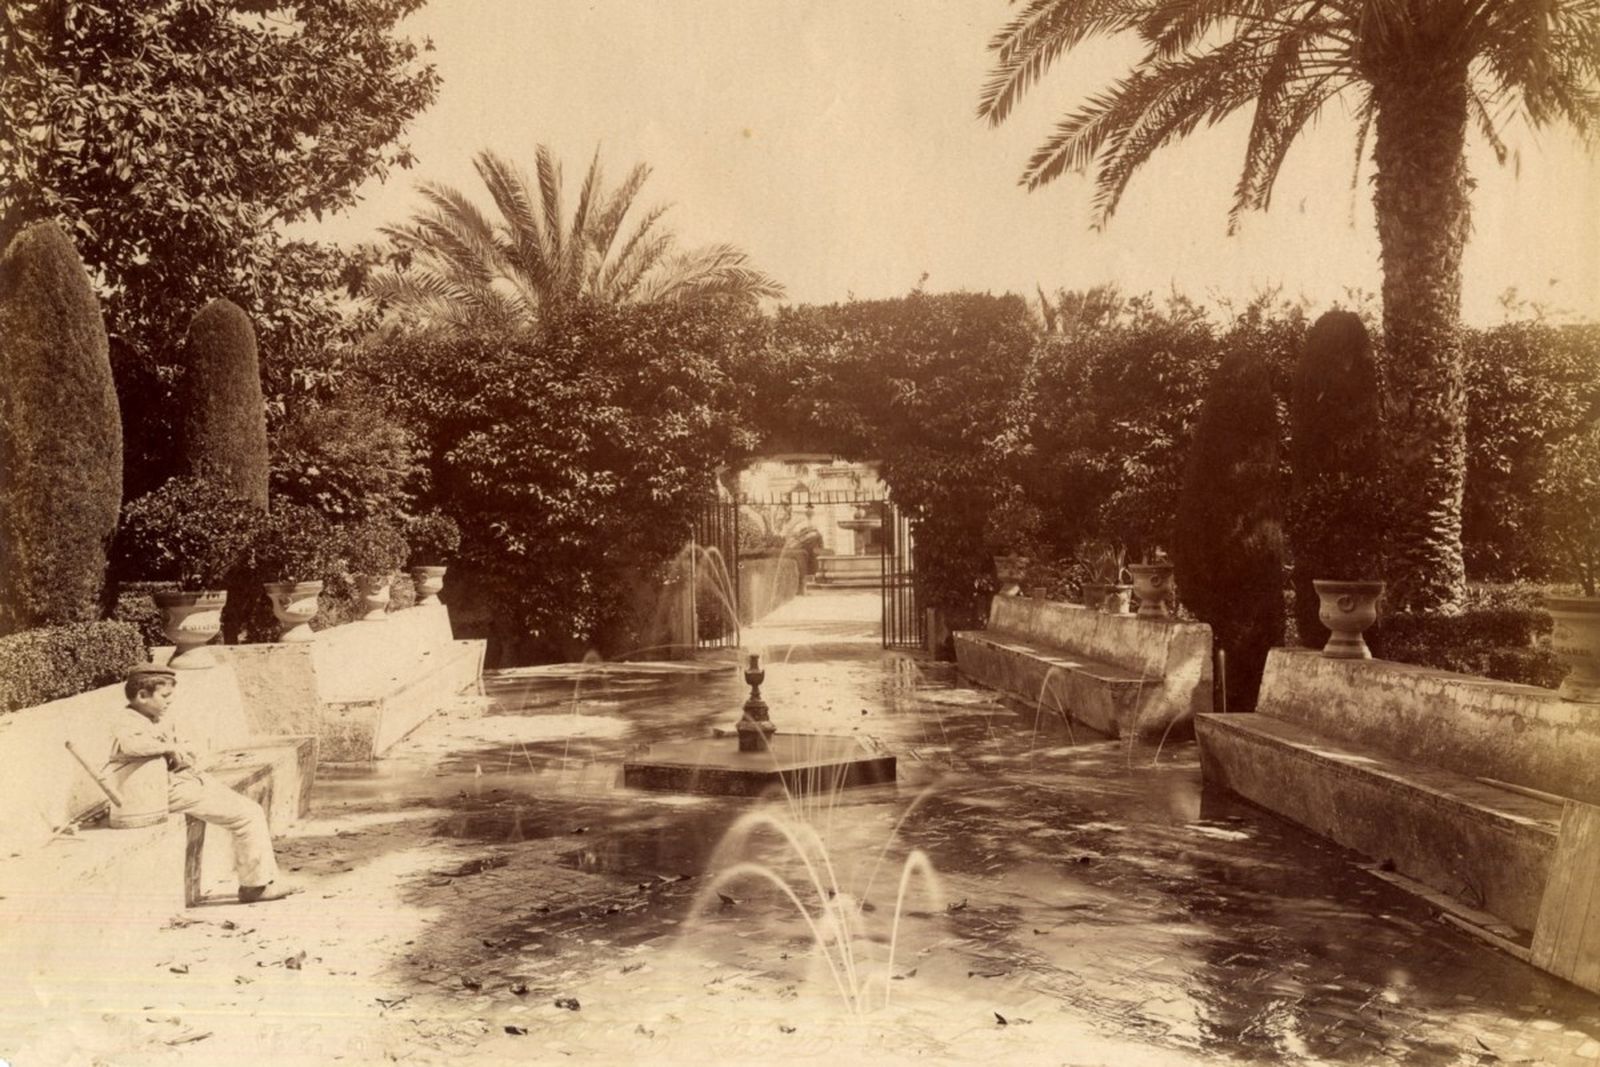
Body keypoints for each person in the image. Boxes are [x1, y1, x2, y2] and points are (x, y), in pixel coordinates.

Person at [113, 663, 299, 904]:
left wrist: (182, 751)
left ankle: (265, 878)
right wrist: (170, 748)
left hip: (180, 781)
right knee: (248, 814)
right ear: (142, 696)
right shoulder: (126, 722)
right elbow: (131, 745)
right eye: (165, 696)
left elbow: (174, 747)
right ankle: (255, 886)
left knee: (244, 806)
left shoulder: (151, 717)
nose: (170, 701)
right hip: (161, 792)